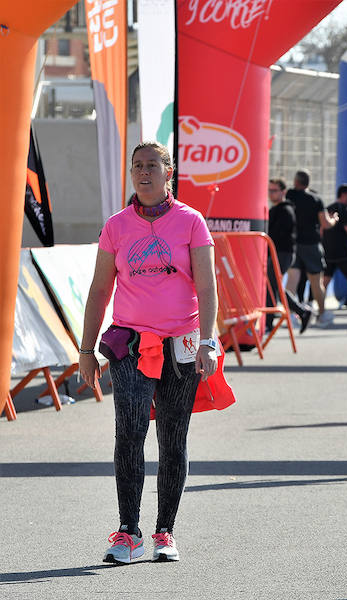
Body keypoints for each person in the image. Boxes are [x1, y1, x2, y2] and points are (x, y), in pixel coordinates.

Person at [79, 141, 220, 564]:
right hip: (130, 346)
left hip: (182, 345)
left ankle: (165, 532)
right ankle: (128, 531)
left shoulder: (191, 222)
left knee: (173, 438)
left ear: (168, 172)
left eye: (152, 166)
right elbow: (100, 289)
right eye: (137, 166)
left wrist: (210, 341)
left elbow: (209, 288)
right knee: (130, 432)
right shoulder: (117, 225)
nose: (143, 172)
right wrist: (87, 349)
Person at [285, 169, 338, 326]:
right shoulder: (315, 199)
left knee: (292, 280)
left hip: (294, 243)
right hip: (311, 244)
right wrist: (334, 219)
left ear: (296, 182)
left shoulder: (289, 196)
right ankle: (322, 315)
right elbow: (325, 223)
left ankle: (291, 316)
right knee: (316, 282)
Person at [266, 178, 311, 332]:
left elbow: (279, 234)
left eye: (274, 190)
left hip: (282, 252)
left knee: (271, 287)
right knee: (274, 286)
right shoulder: (275, 210)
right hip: (277, 252)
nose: (271, 193)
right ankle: (302, 311)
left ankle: (268, 323)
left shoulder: (286, 210)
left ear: (283, 192)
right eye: (269, 190)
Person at [322, 184, 347, 313]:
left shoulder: (328, 209)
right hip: (344, 254)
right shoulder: (345, 212)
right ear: (344, 195)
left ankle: (320, 312)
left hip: (327, 253)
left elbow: (321, 231)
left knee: (324, 283)